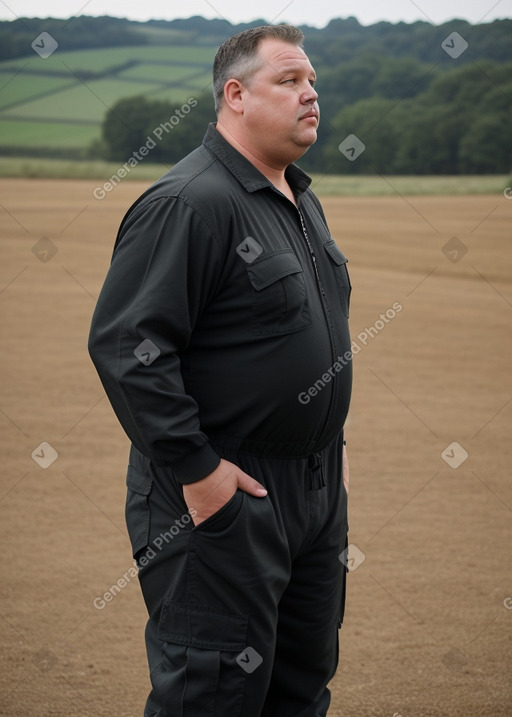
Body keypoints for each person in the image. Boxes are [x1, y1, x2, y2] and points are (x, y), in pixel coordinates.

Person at [88, 23, 352, 717]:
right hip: (218, 490)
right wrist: (198, 472)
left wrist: (327, 457)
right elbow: (127, 347)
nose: (310, 95)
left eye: (313, 82)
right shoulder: (189, 202)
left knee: (298, 687)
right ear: (235, 95)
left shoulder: (299, 200)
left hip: (314, 493)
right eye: (289, 81)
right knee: (214, 693)